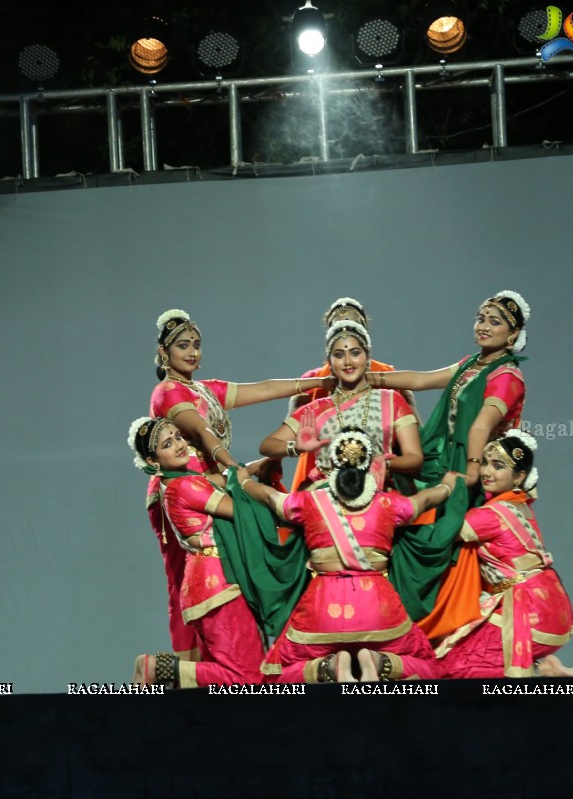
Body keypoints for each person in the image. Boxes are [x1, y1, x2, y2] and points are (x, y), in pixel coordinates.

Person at [145, 308, 331, 663]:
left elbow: (262, 389)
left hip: (215, 485)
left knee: (229, 565)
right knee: (184, 577)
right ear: (163, 353)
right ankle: (189, 665)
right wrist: (231, 464)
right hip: (184, 494)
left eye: (197, 345)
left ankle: (231, 657)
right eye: (183, 345)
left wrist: (318, 384)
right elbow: (198, 427)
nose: (192, 352)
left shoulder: (204, 389)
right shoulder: (167, 392)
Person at [367, 290, 530, 627]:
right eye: (481, 318)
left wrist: (471, 471)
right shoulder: (473, 364)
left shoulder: (507, 377)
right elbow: (421, 379)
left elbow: (482, 425)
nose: (484, 326)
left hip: (476, 471)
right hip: (450, 459)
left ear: (513, 334)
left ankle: (446, 622)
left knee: (448, 542)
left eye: (494, 322)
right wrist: (370, 379)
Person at [242, 427, 455, 683]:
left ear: (332, 464)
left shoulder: (309, 502)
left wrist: (242, 480)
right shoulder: (388, 504)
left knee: (277, 675)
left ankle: (327, 668)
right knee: (428, 667)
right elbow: (425, 500)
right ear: (369, 465)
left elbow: (269, 496)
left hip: (322, 609)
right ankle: (381, 662)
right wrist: (448, 486)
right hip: (378, 609)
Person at [130, 417, 270, 688]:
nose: (179, 445)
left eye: (178, 437)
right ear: (153, 461)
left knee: (231, 678)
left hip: (207, 585)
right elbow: (242, 510)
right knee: (247, 679)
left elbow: (222, 479)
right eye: (167, 444)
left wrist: (253, 467)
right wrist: (293, 506)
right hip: (218, 585)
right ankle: (158, 668)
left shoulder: (182, 481)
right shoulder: (185, 486)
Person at [435, 431, 573, 678]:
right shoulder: (521, 505)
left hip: (527, 611)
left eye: (498, 466)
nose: (486, 472)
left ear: (520, 476)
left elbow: (442, 534)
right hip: (554, 607)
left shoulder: (491, 514)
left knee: (454, 666)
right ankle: (546, 667)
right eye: (484, 463)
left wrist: (445, 489)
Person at [259, 319, 422, 491]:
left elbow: (415, 458)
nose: (348, 361)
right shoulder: (316, 408)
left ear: (367, 357)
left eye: (355, 353)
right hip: (323, 497)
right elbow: (267, 445)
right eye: (339, 355)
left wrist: (383, 463)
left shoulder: (391, 401)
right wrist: (295, 448)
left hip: (376, 493)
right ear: (330, 362)